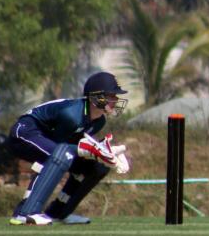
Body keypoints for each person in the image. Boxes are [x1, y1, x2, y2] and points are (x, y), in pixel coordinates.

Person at [7, 72, 130, 225]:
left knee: (96, 167)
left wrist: (105, 153)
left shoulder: (99, 121)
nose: (116, 100)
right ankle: (25, 213)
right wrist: (91, 150)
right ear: (97, 97)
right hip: (25, 132)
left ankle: (58, 213)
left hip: (49, 140)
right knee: (60, 155)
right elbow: (60, 149)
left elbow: (76, 145)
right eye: (112, 95)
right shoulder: (72, 115)